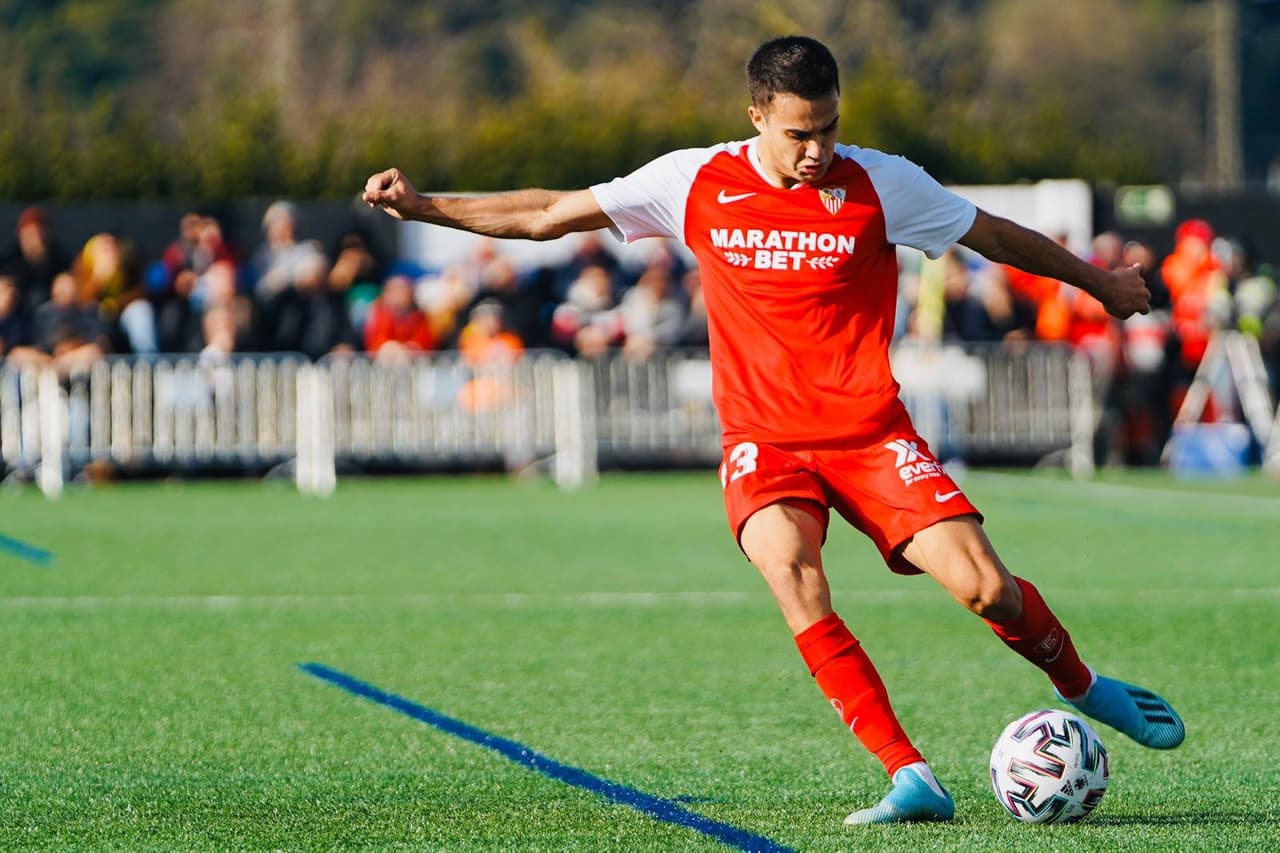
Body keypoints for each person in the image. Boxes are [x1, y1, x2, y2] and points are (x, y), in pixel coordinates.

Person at [361, 35, 1184, 826]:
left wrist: (1101, 284)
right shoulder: (692, 181)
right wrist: (425, 207)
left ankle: (1084, 687)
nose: (818, 149)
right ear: (758, 114)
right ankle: (910, 773)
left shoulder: (880, 183)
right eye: (800, 133)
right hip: (765, 439)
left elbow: (995, 234)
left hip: (869, 433)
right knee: (793, 573)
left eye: (829, 128)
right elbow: (547, 213)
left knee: (985, 588)